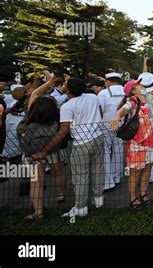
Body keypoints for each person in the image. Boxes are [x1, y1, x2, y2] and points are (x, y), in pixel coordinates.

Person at [35, 77, 105, 218]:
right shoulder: (93, 97)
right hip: (98, 138)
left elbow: (63, 131)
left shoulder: (68, 107)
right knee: (98, 170)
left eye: (66, 84)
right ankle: (98, 199)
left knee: (80, 176)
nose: (64, 84)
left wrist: (45, 149)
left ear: (69, 89)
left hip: (80, 144)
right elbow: (100, 113)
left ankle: (80, 207)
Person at [110, 78, 153, 210]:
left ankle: (143, 194)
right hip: (137, 144)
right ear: (134, 90)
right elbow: (125, 109)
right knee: (135, 172)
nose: (142, 84)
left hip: (152, 142)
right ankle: (133, 197)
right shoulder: (133, 100)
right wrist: (117, 116)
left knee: (148, 167)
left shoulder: (148, 97)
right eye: (138, 84)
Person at [21, 96, 66, 220]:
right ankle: (61, 194)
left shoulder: (29, 125)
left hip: (33, 154)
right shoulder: (57, 122)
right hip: (54, 151)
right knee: (58, 173)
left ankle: (38, 213)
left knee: (36, 183)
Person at [98, 72, 125, 192]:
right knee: (119, 150)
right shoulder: (126, 91)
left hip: (106, 125)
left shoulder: (103, 93)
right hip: (122, 125)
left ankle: (108, 182)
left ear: (108, 81)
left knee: (105, 152)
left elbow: (100, 110)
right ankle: (117, 177)